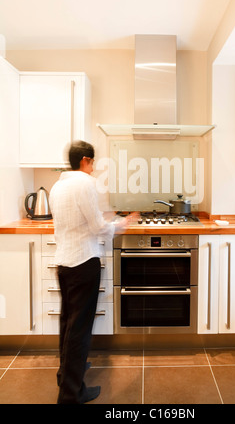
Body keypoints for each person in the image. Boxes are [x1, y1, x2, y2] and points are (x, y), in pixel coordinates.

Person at [50, 140, 136, 404]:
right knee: (79, 330)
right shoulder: (84, 183)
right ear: (85, 160)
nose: (94, 167)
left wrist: (105, 217)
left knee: (68, 324)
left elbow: (81, 218)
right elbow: (98, 227)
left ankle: (66, 375)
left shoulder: (58, 185)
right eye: (93, 161)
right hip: (83, 263)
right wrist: (122, 223)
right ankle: (72, 394)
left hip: (64, 263)